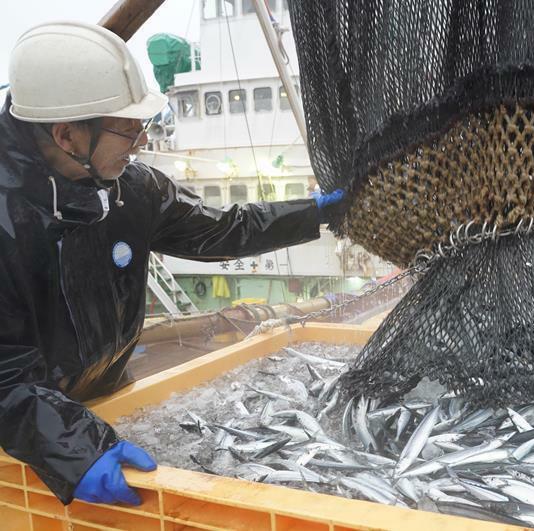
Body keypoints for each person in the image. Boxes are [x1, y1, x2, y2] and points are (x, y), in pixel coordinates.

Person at [0, 22, 344, 506]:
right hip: (23, 443)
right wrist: (72, 447)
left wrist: (315, 213)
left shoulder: (131, 189)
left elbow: (223, 228)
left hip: (109, 402)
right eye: (128, 128)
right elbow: (5, 376)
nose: (141, 141)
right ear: (68, 134)